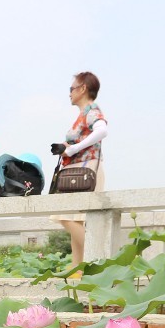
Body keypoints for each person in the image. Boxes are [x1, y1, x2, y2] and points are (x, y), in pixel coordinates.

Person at [49, 72, 108, 270]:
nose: (69, 93)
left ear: (83, 88)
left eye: (71, 89)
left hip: (87, 170)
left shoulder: (91, 110)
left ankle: (100, 259)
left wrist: (74, 148)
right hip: (77, 170)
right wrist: (65, 146)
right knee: (75, 219)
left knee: (64, 215)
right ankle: (78, 268)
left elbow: (102, 130)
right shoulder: (82, 115)